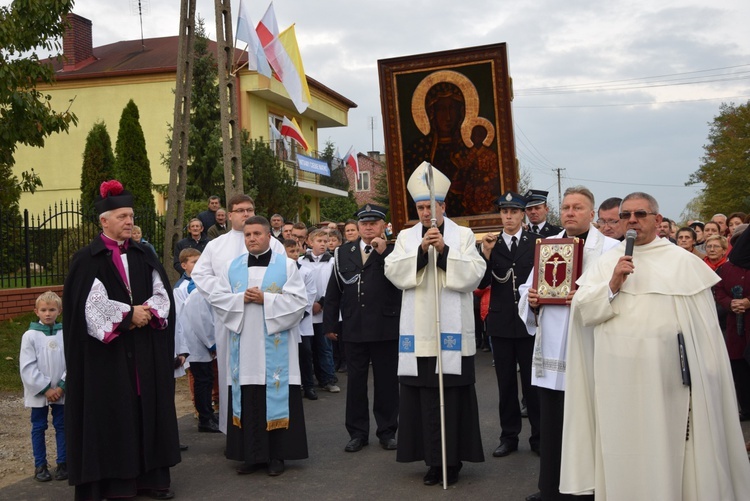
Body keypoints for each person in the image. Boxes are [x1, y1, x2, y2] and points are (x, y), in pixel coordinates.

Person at [560, 192, 750, 500]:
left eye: (640, 214)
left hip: (669, 383)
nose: (632, 220)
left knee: (670, 446)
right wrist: (612, 284)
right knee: (623, 444)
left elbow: (703, 333)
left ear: (657, 220)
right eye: (626, 216)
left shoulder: (683, 263)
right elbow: (583, 313)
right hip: (618, 384)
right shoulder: (608, 262)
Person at [63, 180, 180, 500]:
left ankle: (151, 479)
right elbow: (87, 304)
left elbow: (163, 294)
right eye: (122, 216)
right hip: (108, 357)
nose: (130, 221)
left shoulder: (144, 254)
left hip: (144, 352)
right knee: (114, 413)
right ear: (104, 221)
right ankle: (116, 483)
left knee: (147, 408)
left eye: (131, 215)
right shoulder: (87, 259)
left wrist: (148, 313)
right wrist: (129, 316)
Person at [385, 162, 486, 486]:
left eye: (431, 206)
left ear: (443, 206)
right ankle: (431, 461)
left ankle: (452, 461)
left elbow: (473, 275)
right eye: (421, 207)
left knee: (452, 399)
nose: (426, 212)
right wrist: (420, 250)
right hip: (419, 333)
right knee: (422, 400)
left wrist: (444, 251)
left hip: (452, 332)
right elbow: (393, 271)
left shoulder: (464, 235)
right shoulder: (405, 236)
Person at [518, 187, 619, 501]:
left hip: (588, 344)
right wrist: (531, 300)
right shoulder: (547, 245)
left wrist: (587, 298)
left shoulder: (611, 249)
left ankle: (591, 488)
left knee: (588, 420)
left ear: (592, 214)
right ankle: (550, 487)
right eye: (565, 207)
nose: (570, 212)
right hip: (552, 346)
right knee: (552, 422)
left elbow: (618, 293)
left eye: (578, 207)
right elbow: (527, 287)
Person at [210, 216, 308, 476]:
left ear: (268, 236)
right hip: (243, 347)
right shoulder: (232, 268)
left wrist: (267, 299)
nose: (251, 238)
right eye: (247, 234)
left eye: (256, 234)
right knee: (249, 397)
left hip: (277, 348)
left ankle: (277, 456)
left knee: (273, 395)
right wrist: (239, 299)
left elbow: (299, 303)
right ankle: (251, 455)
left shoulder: (287, 266)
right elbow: (218, 299)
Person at [191, 194, 285, 433]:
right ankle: (232, 430)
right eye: (240, 210)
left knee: (267, 373)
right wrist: (230, 296)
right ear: (229, 214)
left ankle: (270, 428)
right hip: (231, 319)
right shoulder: (216, 245)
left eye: (250, 209)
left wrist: (265, 295)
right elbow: (200, 276)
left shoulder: (273, 244)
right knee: (231, 373)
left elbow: (285, 275)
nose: (246, 214)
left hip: (266, 318)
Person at [323, 204, 401, 453]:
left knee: (386, 382)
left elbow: (401, 283)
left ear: (383, 226)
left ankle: (387, 431)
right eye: (364, 223)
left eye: (373, 223)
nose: (368, 227)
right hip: (354, 326)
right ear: (357, 226)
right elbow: (334, 289)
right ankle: (357, 433)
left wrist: (384, 253)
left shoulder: (394, 252)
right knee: (355, 383)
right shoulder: (342, 253)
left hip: (385, 326)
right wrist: (330, 323)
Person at [479, 191, 541, 459]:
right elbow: (480, 283)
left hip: (529, 323)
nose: (509, 217)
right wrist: (486, 255)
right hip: (501, 322)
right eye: (504, 212)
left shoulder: (536, 242)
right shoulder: (490, 244)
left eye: (514, 212)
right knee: (505, 385)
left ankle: (538, 436)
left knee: (532, 384)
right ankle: (509, 436)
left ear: (522, 213)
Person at [20, 291, 67, 483]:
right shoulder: (30, 335)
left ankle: (63, 463)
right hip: (40, 393)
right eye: (44, 310)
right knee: (38, 427)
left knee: (62, 426)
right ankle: (40, 465)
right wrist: (46, 389)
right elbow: (27, 366)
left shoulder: (65, 333)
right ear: (36, 312)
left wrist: (62, 386)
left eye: (52, 310)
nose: (48, 314)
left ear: (59, 311)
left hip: (61, 391)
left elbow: (71, 361)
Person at [174, 248, 219, 433]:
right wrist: (212, 342)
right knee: (202, 380)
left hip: (201, 340)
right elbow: (197, 318)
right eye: (194, 262)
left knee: (207, 379)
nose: (198, 265)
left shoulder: (199, 284)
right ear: (184, 265)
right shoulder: (185, 288)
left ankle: (208, 412)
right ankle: (204, 418)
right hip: (195, 341)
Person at [298, 229, 340, 393]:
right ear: (309, 242)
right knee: (308, 349)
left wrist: (321, 303)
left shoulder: (332, 262)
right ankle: (308, 380)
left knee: (324, 347)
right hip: (306, 311)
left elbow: (333, 285)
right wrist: (310, 304)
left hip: (323, 311)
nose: (323, 244)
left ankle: (328, 378)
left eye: (325, 241)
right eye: (319, 241)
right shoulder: (302, 261)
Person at [715, 227, 750, 421]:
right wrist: (730, 303)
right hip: (735, 328)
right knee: (739, 370)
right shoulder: (728, 268)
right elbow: (719, 289)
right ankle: (746, 409)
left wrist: (748, 302)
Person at [283, 239, 318, 400]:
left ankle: (309, 385)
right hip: (284, 319)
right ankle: (290, 388)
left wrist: (300, 313)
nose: (295, 255)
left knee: (305, 353)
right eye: (291, 252)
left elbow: (310, 294)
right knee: (287, 354)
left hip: (302, 319)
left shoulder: (306, 271)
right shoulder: (279, 271)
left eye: (297, 251)